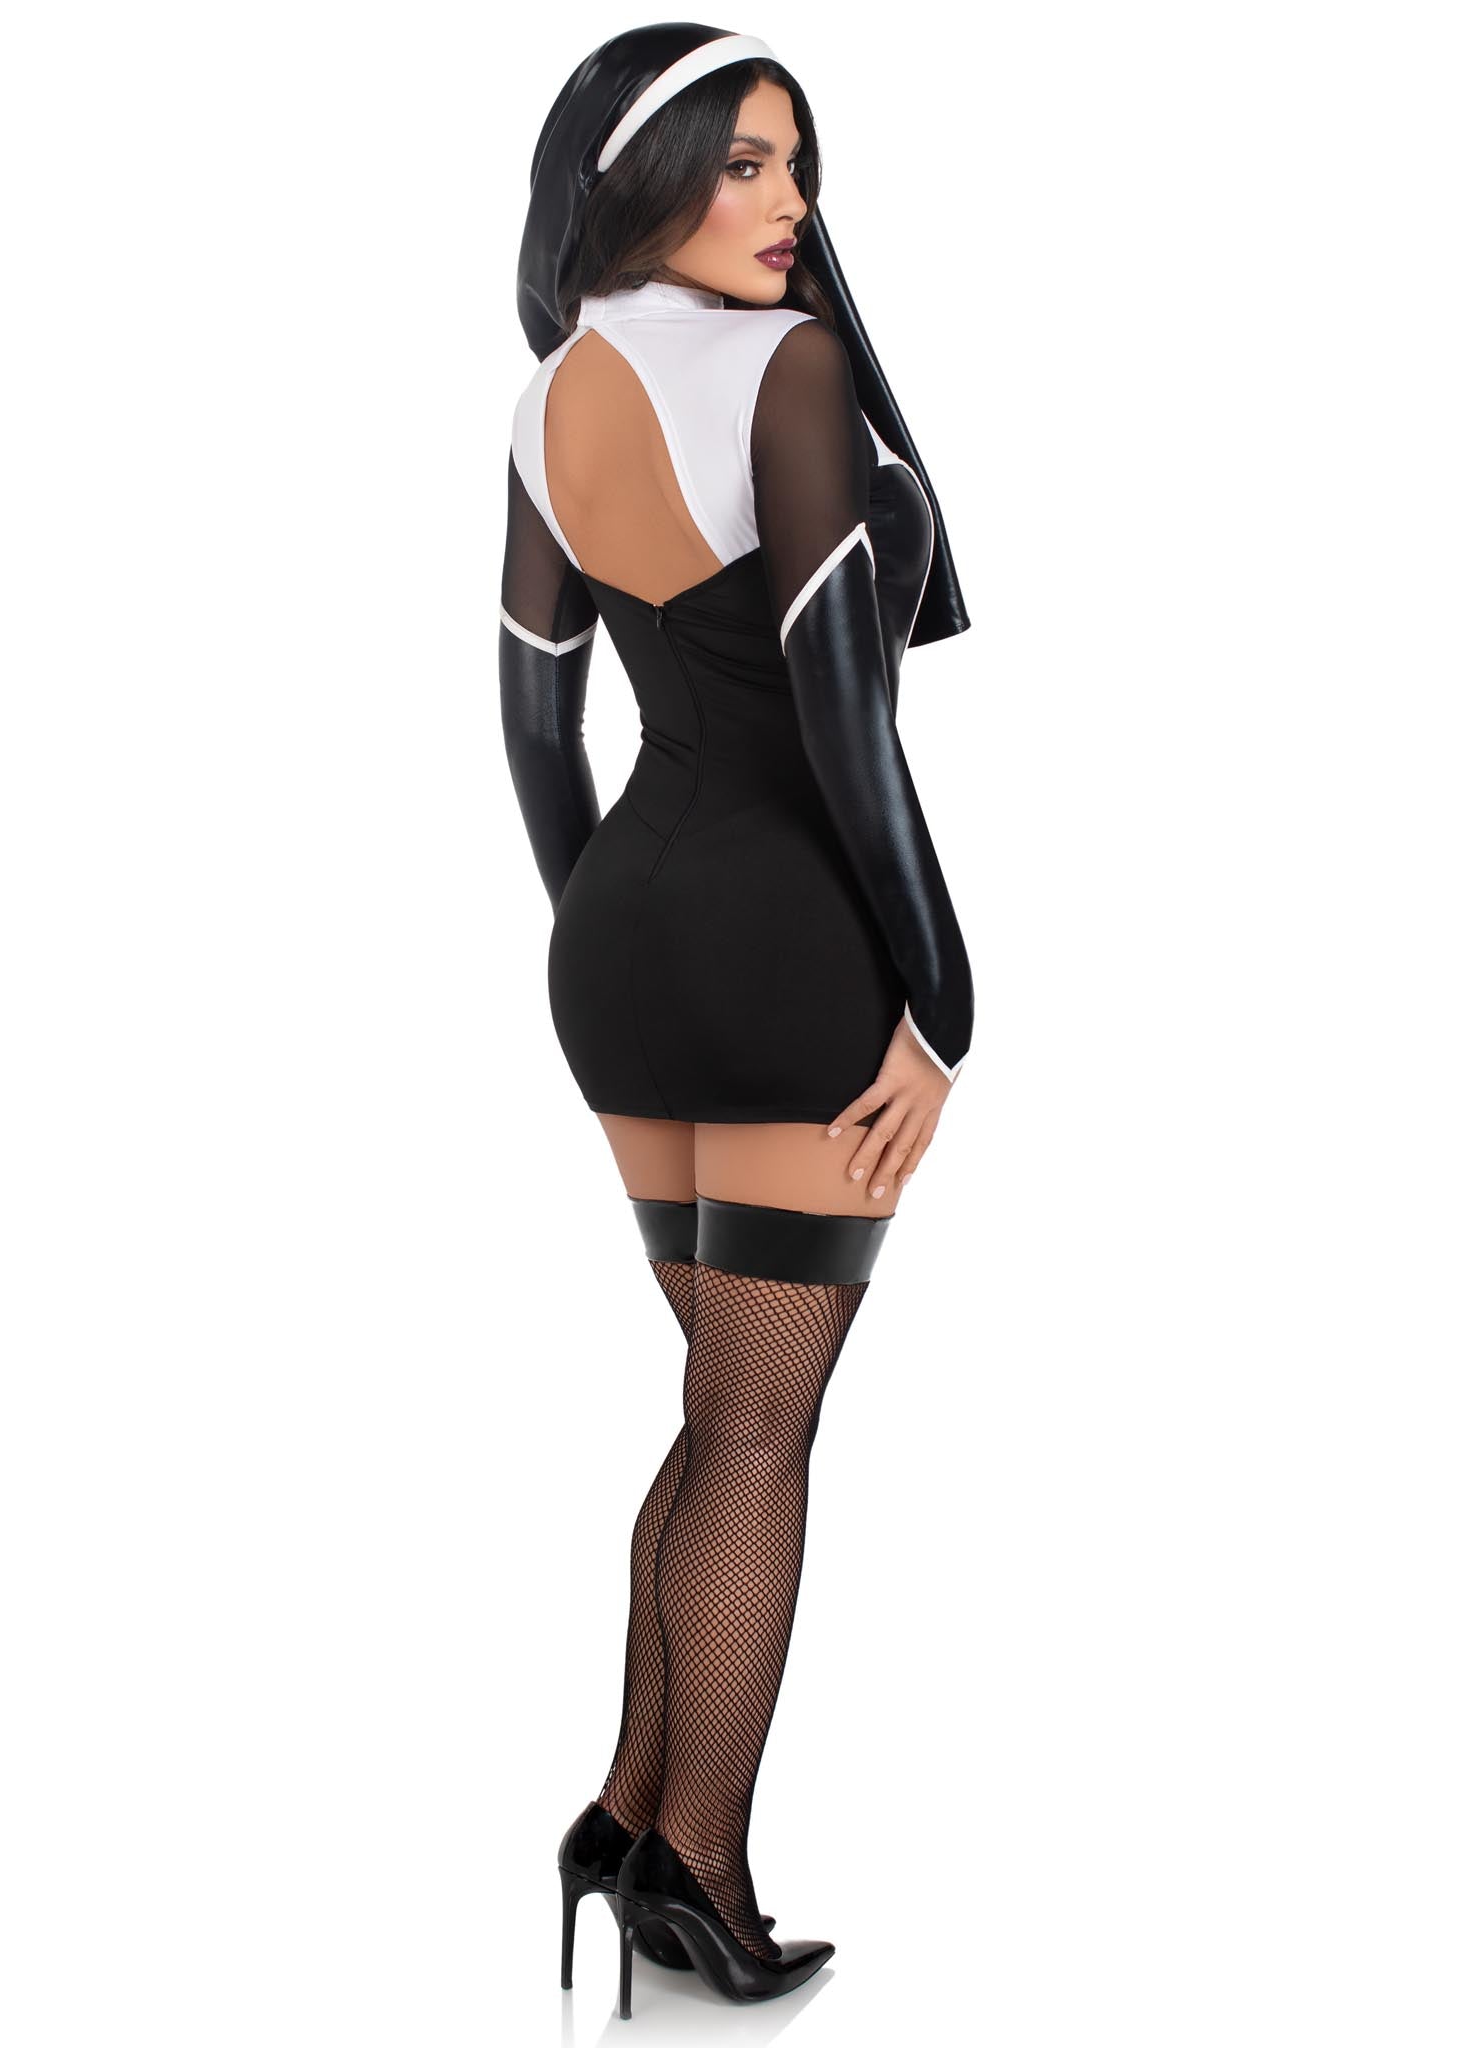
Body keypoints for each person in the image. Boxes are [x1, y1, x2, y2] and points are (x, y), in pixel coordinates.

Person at [499, 25, 974, 2012]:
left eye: (797, 164)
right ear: (646, 174)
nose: (789, 204)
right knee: (762, 1428)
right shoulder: (787, 374)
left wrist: (623, 933)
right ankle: (699, 1864)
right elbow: (850, 739)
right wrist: (945, 1010)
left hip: (617, 949)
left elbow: (540, 731)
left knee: (716, 1408)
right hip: (791, 945)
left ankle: (624, 1815)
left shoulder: (551, 394)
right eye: (745, 163)